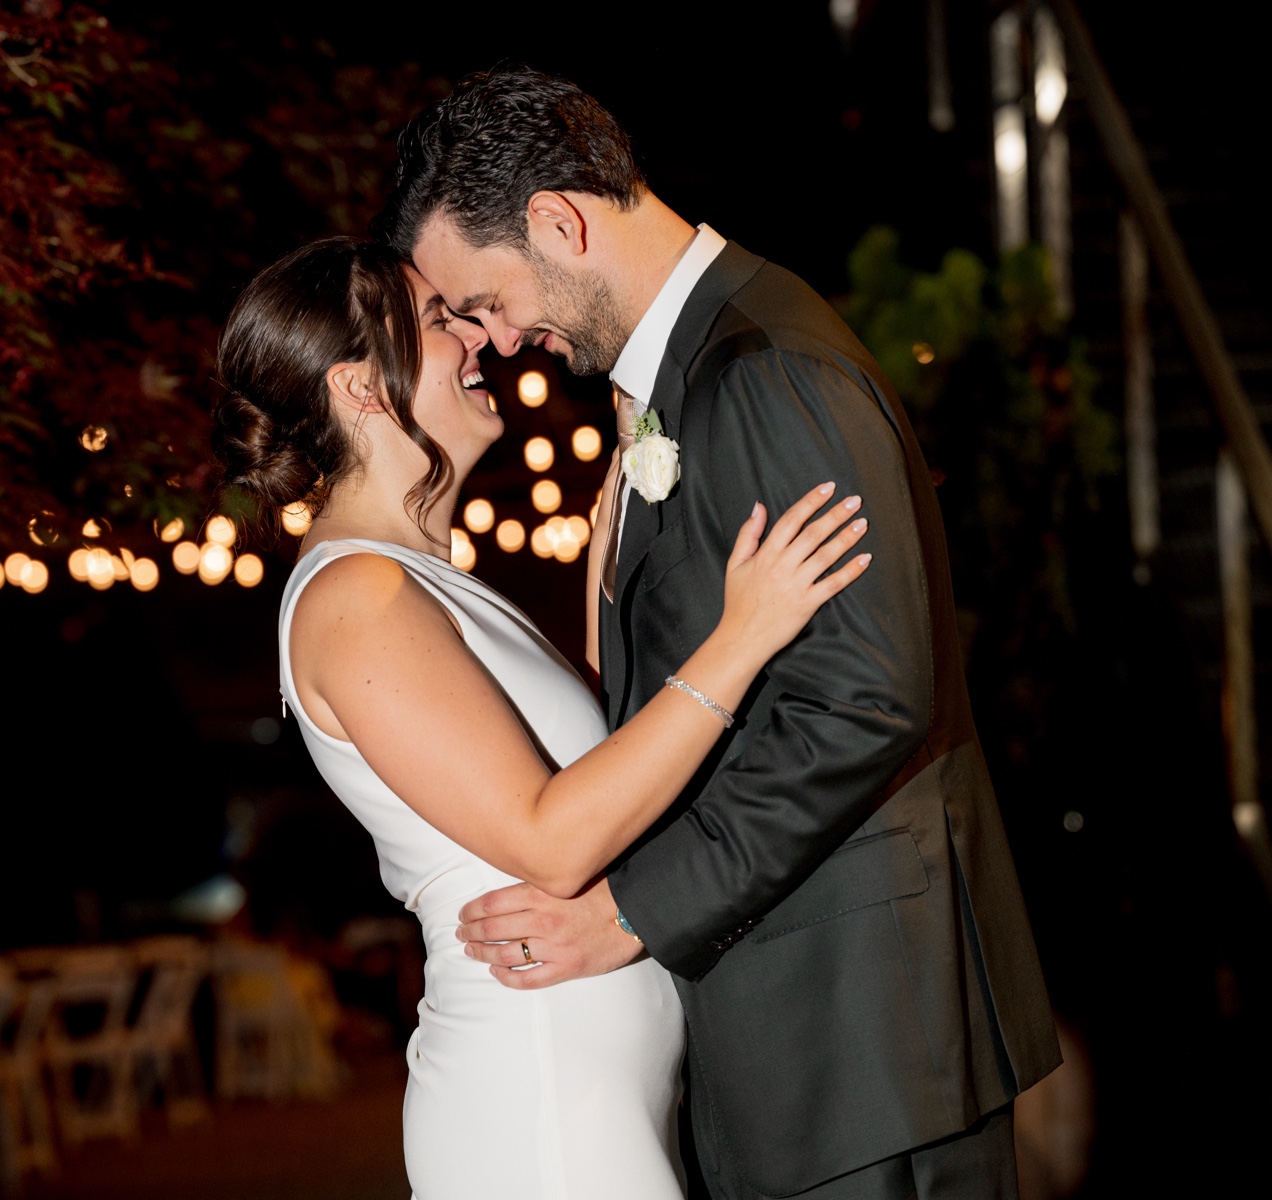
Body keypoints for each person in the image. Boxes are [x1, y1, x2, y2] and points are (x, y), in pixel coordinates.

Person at [380, 67, 1060, 1200]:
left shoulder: (762, 371)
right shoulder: (692, 377)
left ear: (560, 221)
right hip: (820, 1046)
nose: (495, 342)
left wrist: (635, 915)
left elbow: (864, 698)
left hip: (858, 1040)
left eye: (486, 300)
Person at [213, 234, 869, 1199]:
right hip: (537, 1103)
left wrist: (619, 529)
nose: (479, 339)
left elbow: (603, 752)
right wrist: (746, 633)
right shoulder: (356, 595)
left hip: (589, 1092)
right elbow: (551, 838)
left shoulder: (423, 581)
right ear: (359, 387)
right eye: (440, 323)